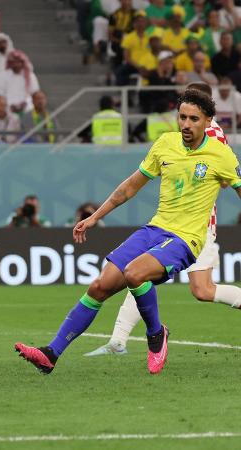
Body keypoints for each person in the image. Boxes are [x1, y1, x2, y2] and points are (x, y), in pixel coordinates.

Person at [15, 89, 241, 376]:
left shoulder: (221, 154)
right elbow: (130, 186)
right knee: (100, 286)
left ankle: (156, 335)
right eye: (182, 117)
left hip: (187, 239)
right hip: (155, 229)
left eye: (193, 119)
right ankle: (51, 354)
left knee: (136, 274)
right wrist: (95, 217)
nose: (185, 124)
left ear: (208, 120)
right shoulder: (165, 144)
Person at [86, 83, 241, 356]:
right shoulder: (183, 135)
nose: (186, 119)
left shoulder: (214, 136)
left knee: (201, 290)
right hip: (172, 223)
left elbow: (226, 180)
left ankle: (120, 340)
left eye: (193, 112)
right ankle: (118, 340)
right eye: (183, 114)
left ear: (205, 108)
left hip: (198, 226)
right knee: (139, 273)